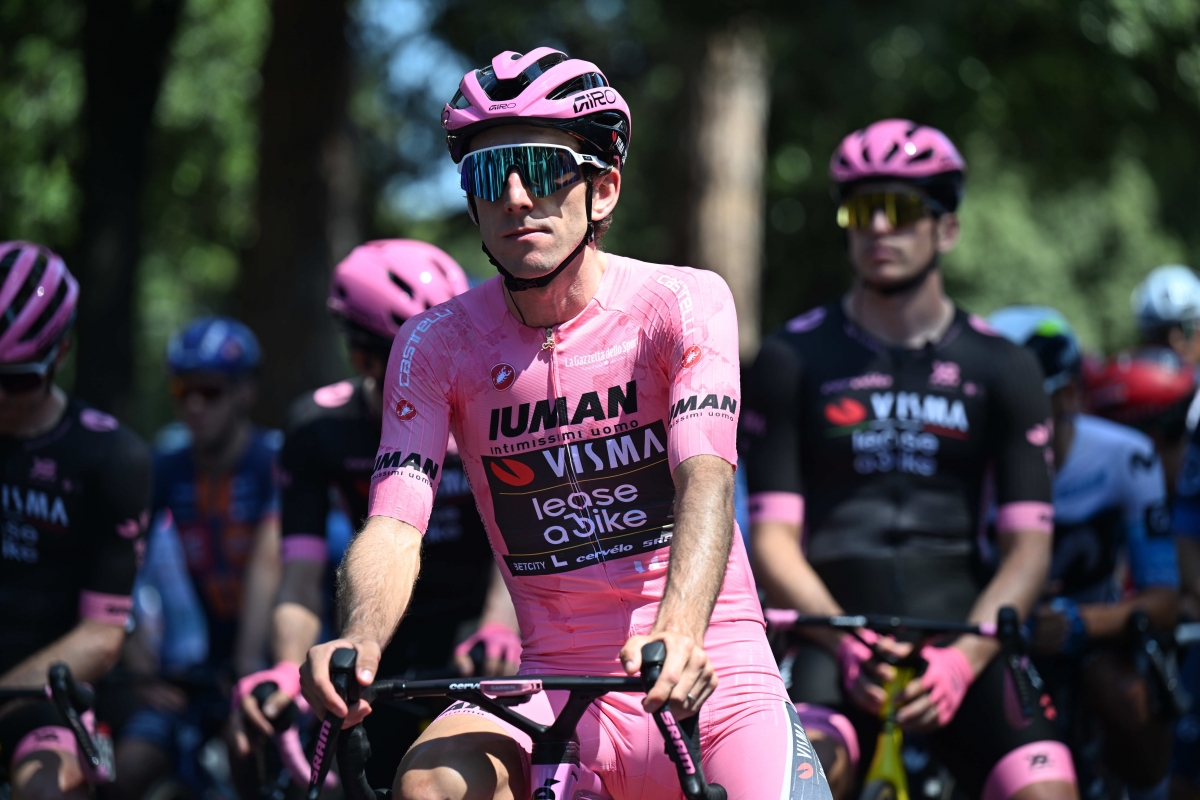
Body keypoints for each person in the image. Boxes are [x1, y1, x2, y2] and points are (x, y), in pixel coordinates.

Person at [299, 48, 827, 800]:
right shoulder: (434, 344)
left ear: (603, 189)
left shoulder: (682, 303)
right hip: (551, 680)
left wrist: (680, 630)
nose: (516, 197)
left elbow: (705, 479)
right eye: (491, 174)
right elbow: (395, 524)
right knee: (430, 784)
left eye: (543, 170)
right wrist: (359, 638)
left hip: (710, 669)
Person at [742, 121, 1076, 800]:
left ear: (947, 228)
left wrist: (964, 661)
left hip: (966, 637)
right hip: (833, 638)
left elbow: (1028, 551)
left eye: (900, 209)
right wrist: (844, 642)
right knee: (801, 783)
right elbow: (772, 540)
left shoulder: (1004, 367)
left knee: (1047, 791)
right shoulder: (790, 358)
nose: (878, 228)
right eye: (861, 210)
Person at [231, 240, 516, 790]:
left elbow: (522, 531)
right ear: (363, 359)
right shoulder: (319, 431)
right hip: (380, 638)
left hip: (480, 638)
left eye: (455, 345)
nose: (447, 366)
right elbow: (299, 577)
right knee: (257, 748)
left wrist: (499, 624)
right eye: (418, 352)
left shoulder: (500, 405)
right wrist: (288, 666)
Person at [990, 307, 1180, 800]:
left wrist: (1079, 623)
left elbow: (1164, 599)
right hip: (993, 636)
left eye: (1024, 404)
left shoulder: (1125, 457)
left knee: (1124, 698)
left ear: (1068, 395)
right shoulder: (971, 466)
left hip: (1093, 631)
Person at [0, 241, 151, 800]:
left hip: (45, 688)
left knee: (45, 787)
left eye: (16, 379)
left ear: (60, 352)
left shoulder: (110, 457)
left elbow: (102, 637)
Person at [113, 317, 281, 800]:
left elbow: (272, 565)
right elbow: (120, 563)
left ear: (245, 392)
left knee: (245, 753)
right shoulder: (162, 469)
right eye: (182, 390)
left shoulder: (275, 462)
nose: (194, 405)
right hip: (184, 671)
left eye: (210, 391)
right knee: (127, 770)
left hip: (266, 661)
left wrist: (249, 669)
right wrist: (138, 663)